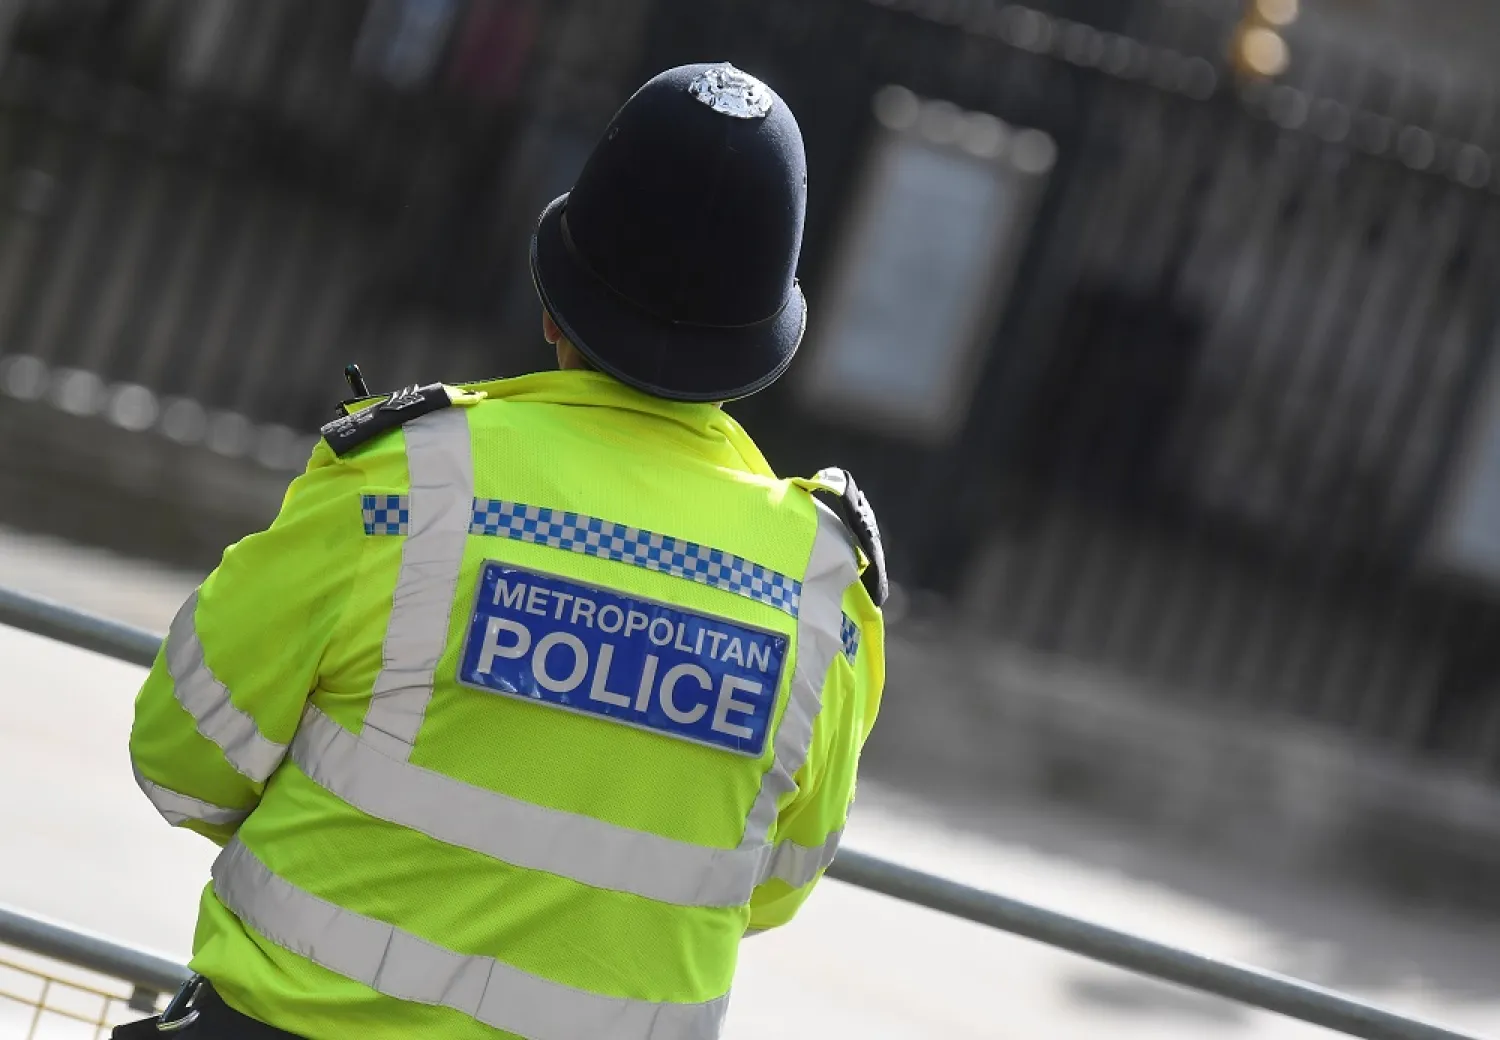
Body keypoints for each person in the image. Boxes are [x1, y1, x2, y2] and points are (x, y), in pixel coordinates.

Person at [118, 62, 886, 1040]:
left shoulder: (407, 483)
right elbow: (772, 882)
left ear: (552, 303)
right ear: (756, 352)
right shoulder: (820, 587)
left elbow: (182, 753)